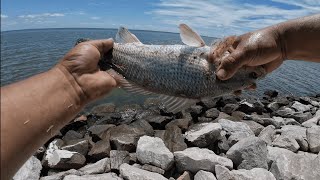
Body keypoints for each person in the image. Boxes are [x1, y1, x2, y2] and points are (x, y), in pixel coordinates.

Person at [1, 14, 319, 180]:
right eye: (252, 74)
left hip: (137, 62)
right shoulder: (212, 66)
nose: (257, 73)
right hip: (151, 68)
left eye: (252, 74)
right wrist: (282, 41)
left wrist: (70, 81)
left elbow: (186, 34)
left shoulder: (210, 62)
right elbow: (187, 39)